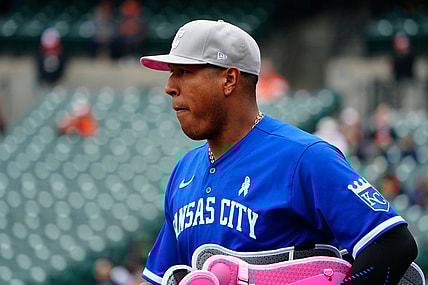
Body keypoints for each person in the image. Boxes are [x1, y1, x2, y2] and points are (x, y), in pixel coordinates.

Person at [138, 19, 418, 285]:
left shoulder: (304, 157)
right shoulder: (184, 170)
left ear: (229, 79)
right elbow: (160, 276)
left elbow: (393, 243)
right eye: (172, 73)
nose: (170, 87)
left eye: (184, 73)